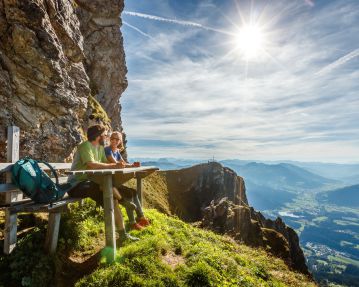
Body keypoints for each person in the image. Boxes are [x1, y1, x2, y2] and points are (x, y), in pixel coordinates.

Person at [67, 125, 138, 242]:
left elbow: (105, 163)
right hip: (76, 185)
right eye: (105, 135)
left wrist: (119, 165)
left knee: (111, 198)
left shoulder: (100, 148)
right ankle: (123, 201)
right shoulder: (85, 146)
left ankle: (123, 234)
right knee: (107, 190)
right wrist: (113, 165)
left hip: (91, 182)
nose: (106, 137)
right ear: (98, 136)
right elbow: (92, 164)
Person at [105, 131, 150, 230]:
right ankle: (133, 222)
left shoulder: (116, 151)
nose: (114, 140)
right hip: (109, 181)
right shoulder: (107, 150)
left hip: (115, 180)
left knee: (133, 192)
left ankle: (141, 217)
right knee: (129, 194)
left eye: (117, 139)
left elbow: (123, 163)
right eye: (113, 138)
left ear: (120, 141)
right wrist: (126, 165)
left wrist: (133, 165)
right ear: (110, 139)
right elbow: (115, 163)